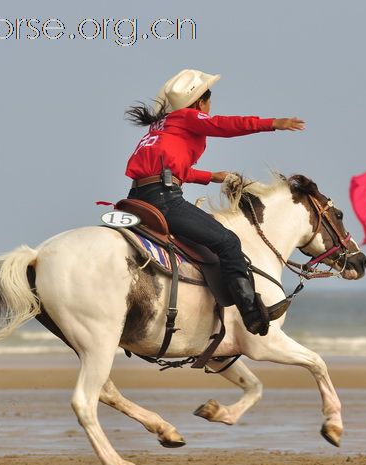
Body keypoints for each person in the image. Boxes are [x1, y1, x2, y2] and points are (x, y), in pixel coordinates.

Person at [124, 69, 304, 335]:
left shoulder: (161, 126)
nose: (209, 109)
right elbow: (223, 125)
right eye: (208, 103)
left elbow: (172, 170)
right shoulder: (187, 116)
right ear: (200, 103)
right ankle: (250, 313)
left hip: (136, 197)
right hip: (163, 199)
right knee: (228, 242)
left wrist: (211, 176)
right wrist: (272, 123)